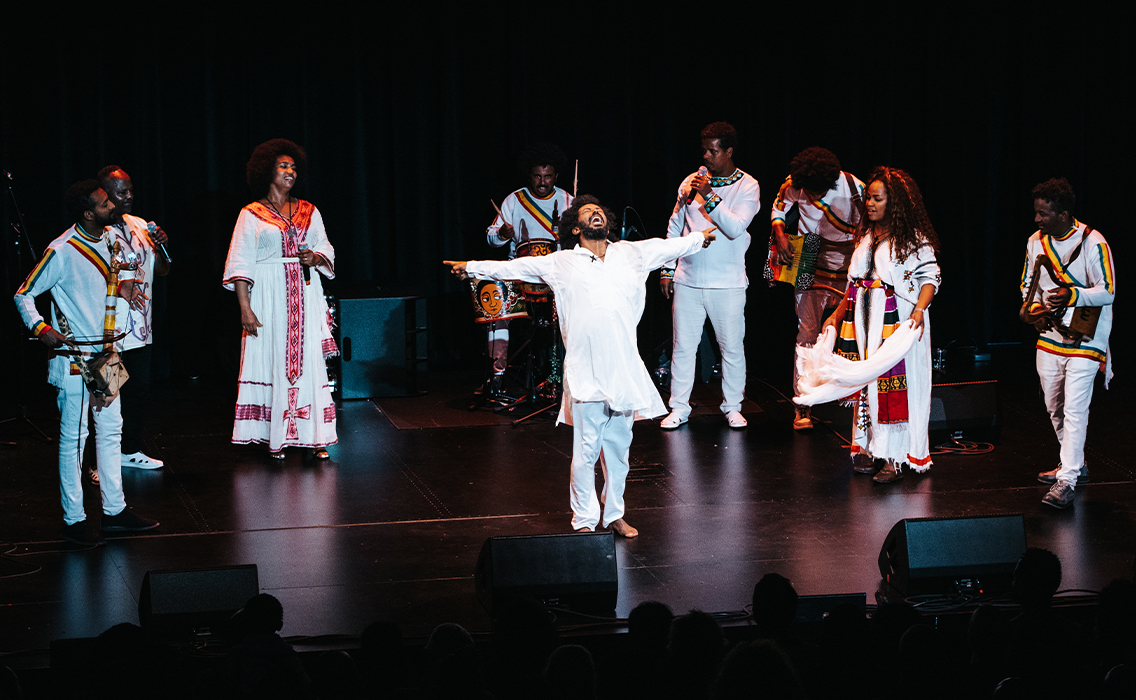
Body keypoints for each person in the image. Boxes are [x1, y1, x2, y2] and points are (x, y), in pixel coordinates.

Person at [446, 195, 716, 536]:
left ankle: (614, 513)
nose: (596, 214)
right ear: (576, 227)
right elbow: (513, 269)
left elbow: (669, 246)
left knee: (618, 453)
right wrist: (471, 266)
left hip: (622, 369)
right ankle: (585, 521)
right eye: (588, 212)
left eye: (600, 211)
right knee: (586, 451)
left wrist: (699, 238)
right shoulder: (562, 263)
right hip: (586, 370)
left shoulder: (631, 254)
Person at [13, 180, 159, 545]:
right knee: (74, 439)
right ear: (87, 212)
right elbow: (23, 293)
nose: (112, 205)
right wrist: (39, 326)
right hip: (75, 357)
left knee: (111, 432)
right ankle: (74, 519)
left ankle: (115, 511)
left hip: (107, 355)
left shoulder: (110, 237)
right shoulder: (61, 251)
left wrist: (123, 286)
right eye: (104, 202)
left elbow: (108, 280)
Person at [802, 166, 941, 484]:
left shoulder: (913, 241)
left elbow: (930, 279)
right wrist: (836, 315)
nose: (870, 204)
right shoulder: (865, 237)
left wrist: (919, 311)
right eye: (869, 199)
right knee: (868, 386)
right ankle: (871, 448)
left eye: (877, 198)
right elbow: (854, 283)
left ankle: (895, 458)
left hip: (897, 323)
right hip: (864, 324)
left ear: (896, 203)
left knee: (893, 390)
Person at [223, 139, 338, 459]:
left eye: (294, 167)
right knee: (272, 361)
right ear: (266, 171)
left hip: (304, 295)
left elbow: (326, 249)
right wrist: (245, 308)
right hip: (268, 298)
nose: (290, 172)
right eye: (283, 166)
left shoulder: (309, 211)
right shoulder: (251, 214)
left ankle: (315, 437)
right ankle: (276, 437)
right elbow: (240, 264)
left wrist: (314, 257)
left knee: (309, 364)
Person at [1020, 177, 1114, 509]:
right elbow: (1026, 285)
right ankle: (1075, 462)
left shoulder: (1093, 242)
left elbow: (1108, 290)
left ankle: (1068, 479)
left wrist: (1071, 294)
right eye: (1036, 213)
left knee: (1075, 408)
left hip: (1087, 336)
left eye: (1043, 213)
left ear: (1062, 214)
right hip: (1050, 334)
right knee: (1053, 404)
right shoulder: (1035, 242)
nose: (1037, 219)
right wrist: (1035, 311)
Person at [659, 122, 758, 430]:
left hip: (726, 283)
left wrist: (709, 196)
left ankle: (732, 407)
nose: (706, 155)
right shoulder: (691, 180)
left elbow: (734, 227)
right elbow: (676, 225)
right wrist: (667, 267)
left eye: (713, 151)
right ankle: (679, 406)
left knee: (730, 347)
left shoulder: (748, 186)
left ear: (728, 151)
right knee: (683, 347)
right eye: (704, 149)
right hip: (688, 278)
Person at [770, 147, 865, 430]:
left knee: (854, 332)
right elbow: (779, 206)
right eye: (807, 191)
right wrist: (780, 234)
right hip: (809, 253)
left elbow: (868, 229)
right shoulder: (795, 183)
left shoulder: (853, 188)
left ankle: (856, 399)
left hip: (848, 259)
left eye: (816, 191)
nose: (810, 196)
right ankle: (804, 403)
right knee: (807, 331)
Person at [484, 143, 574, 394]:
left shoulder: (568, 200)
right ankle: (497, 375)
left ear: (556, 176)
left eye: (548, 176)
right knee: (497, 310)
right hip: (520, 272)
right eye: (537, 176)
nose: (542, 182)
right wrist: (502, 233)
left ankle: (559, 377)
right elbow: (491, 237)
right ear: (529, 175)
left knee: (570, 314)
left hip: (555, 274)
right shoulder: (514, 200)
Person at [98, 165, 170, 469]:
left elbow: (162, 271)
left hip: (140, 328)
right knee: (107, 394)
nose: (129, 196)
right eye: (121, 191)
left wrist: (162, 249)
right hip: (108, 331)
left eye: (130, 190)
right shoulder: (95, 230)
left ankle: (129, 451)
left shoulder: (140, 224)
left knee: (138, 390)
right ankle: (99, 460)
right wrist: (119, 285)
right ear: (104, 194)